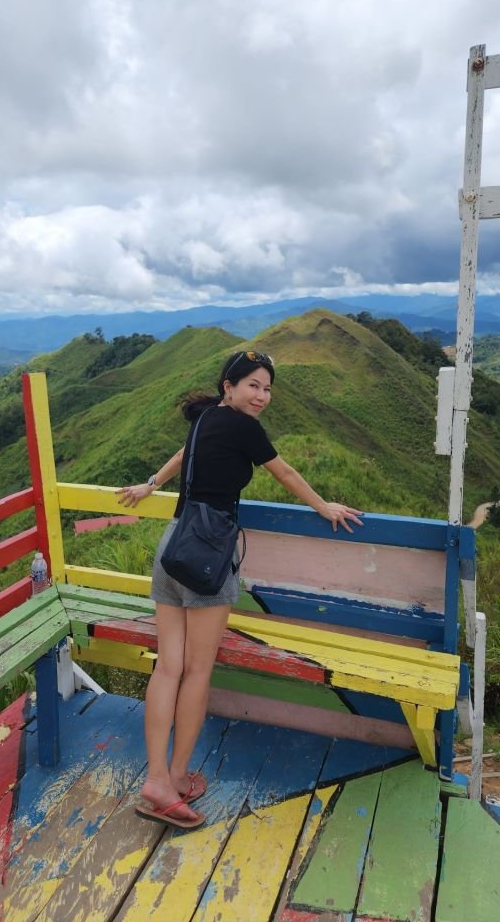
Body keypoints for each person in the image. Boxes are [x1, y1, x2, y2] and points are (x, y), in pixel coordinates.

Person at [118, 350, 363, 828]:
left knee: (168, 669)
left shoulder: (208, 416)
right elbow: (286, 473)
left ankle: (157, 776)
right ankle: (175, 778)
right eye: (253, 384)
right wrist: (324, 507)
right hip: (208, 555)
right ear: (228, 385)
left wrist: (151, 485)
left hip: (173, 546)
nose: (262, 395)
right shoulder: (244, 428)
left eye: (267, 388)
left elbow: (185, 455)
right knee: (196, 672)